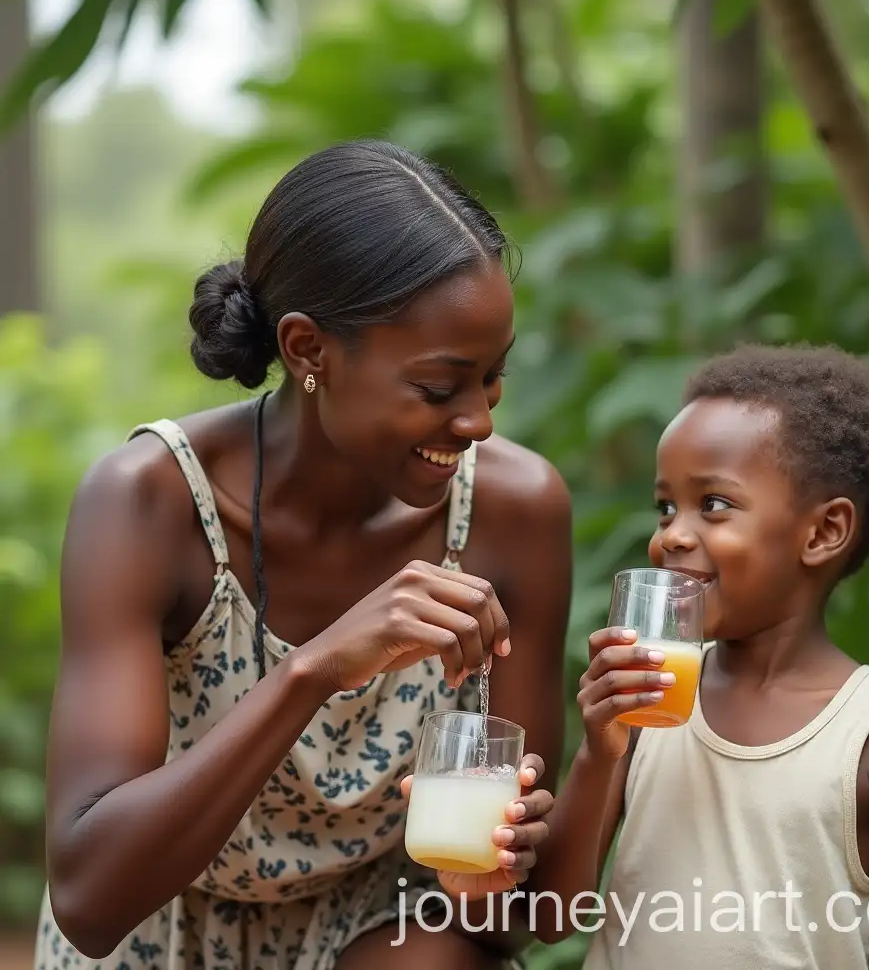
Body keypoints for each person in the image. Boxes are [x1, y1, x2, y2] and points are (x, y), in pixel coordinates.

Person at [35, 140, 573, 970]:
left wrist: (495, 873)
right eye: (439, 388)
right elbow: (91, 900)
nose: (478, 422)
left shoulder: (513, 513)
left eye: (492, 379)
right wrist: (314, 669)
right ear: (307, 350)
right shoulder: (149, 503)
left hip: (374, 932)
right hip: (159, 925)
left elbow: (511, 918)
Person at [529, 343, 869, 969]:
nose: (671, 534)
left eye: (714, 505)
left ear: (823, 532)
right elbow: (549, 919)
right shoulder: (648, 702)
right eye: (666, 506)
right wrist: (599, 752)